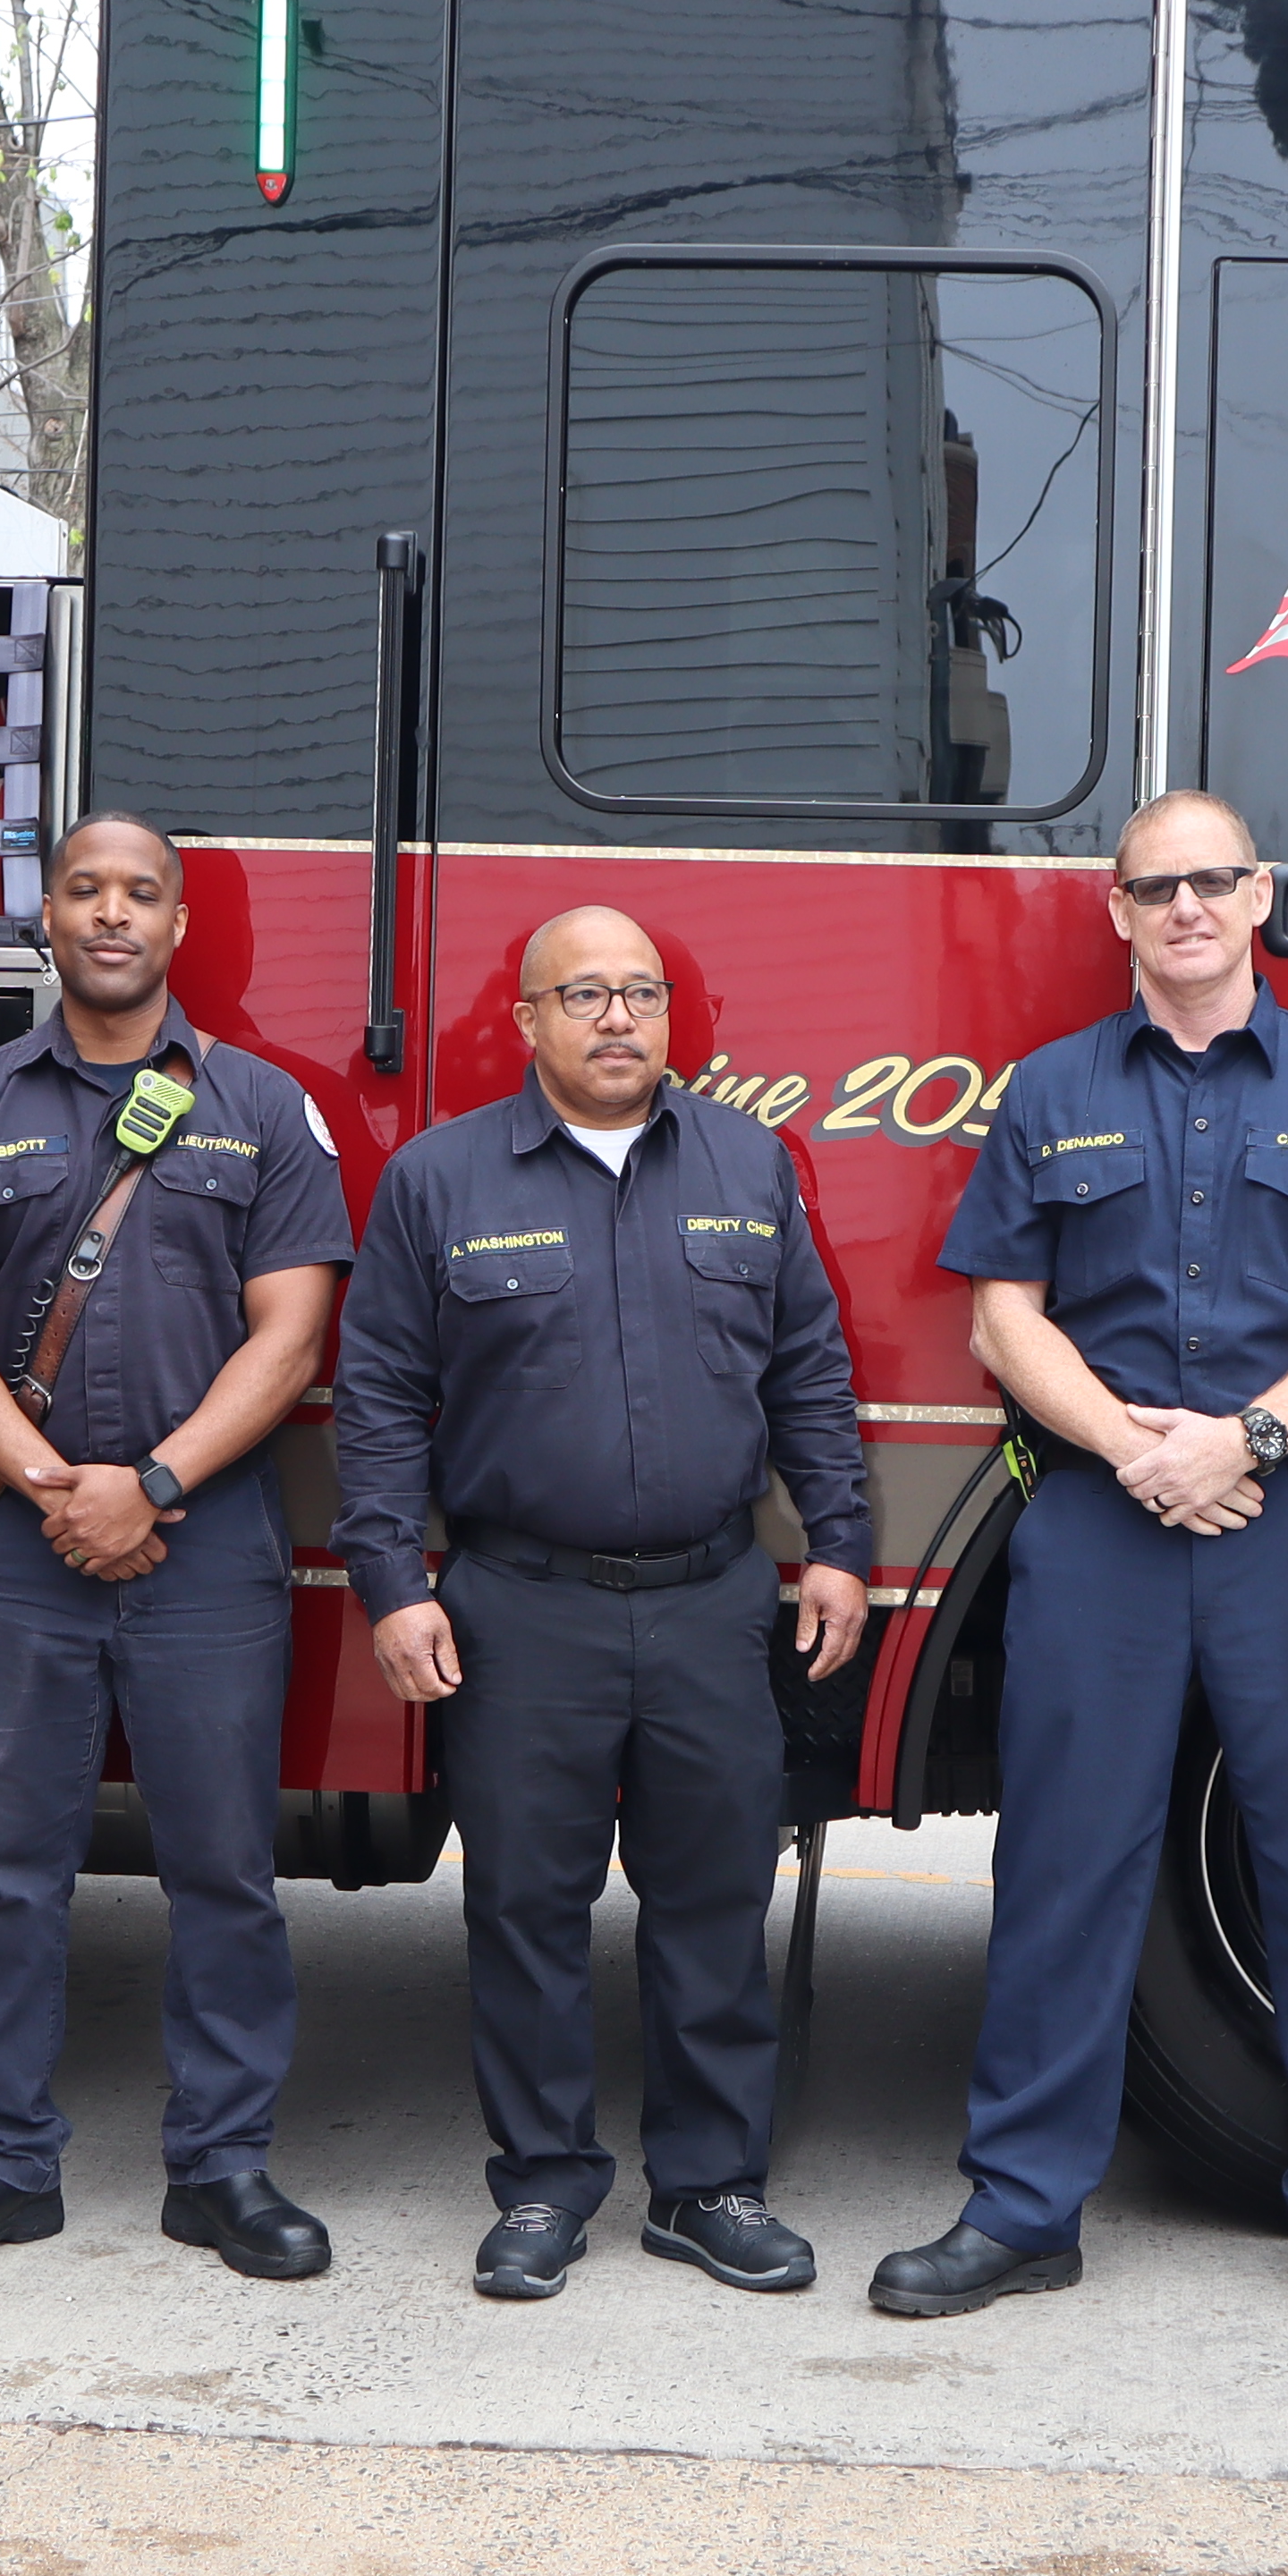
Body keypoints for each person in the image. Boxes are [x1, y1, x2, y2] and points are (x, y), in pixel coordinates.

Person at [872, 792, 1288, 2333]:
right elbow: (1004, 1318)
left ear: (1259, 897)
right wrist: (1141, 1453)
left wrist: (1238, 1443)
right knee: (1066, 1865)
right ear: (1115, 914)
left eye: (1212, 881)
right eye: (1154, 888)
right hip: (1102, 1521)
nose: (1185, 908)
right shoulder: (1052, 1094)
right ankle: (1023, 2207)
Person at [330, 907, 872, 2302]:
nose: (619, 1017)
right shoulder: (439, 1180)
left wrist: (842, 1550)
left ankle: (709, 2187)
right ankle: (544, 2184)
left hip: (710, 1604)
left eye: (641, 993)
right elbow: (382, 1395)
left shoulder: (749, 1165)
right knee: (524, 1908)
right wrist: (397, 1585)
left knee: (711, 1906)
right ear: (527, 1021)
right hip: (525, 1607)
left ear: (672, 1019)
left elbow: (809, 1372)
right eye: (585, 994)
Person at [0, 816, 351, 2284]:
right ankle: (0, 2162)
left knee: (224, 1870)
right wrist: (52, 1484)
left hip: (206, 1545)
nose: (112, 914)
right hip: (22, 1544)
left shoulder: (263, 1109)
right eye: (85, 889)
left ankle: (221, 2170)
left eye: (142, 892)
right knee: (12, 1869)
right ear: (48, 915)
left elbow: (293, 1333)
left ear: (179, 924)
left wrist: (148, 1481)